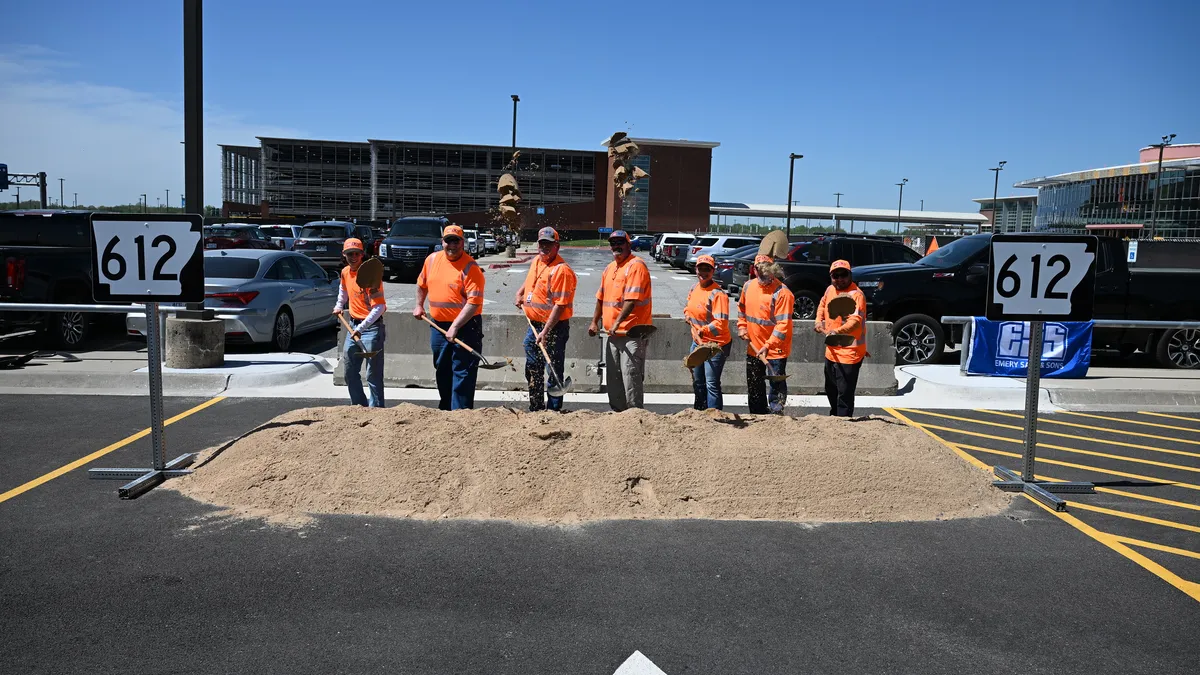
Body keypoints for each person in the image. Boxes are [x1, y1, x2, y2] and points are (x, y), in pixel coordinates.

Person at [413, 224, 486, 410]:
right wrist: (419, 305)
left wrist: (455, 326)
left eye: (456, 241)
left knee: (462, 373)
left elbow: (474, 303)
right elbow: (422, 285)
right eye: (448, 241)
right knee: (442, 370)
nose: (452, 245)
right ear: (442, 242)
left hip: (466, 327)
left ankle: (460, 415)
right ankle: (445, 411)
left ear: (463, 243)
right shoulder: (431, 260)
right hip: (438, 326)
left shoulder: (471, 268)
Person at [588, 229, 653, 411]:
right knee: (614, 379)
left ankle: (634, 417)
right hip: (613, 335)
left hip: (633, 334)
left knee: (630, 376)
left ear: (628, 245)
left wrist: (617, 323)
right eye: (613, 243)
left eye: (620, 243)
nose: (616, 246)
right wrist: (595, 322)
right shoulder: (610, 268)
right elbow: (601, 298)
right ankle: (618, 416)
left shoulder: (636, 266)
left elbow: (631, 301)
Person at [515, 226, 577, 411]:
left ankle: (553, 411)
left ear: (556, 246)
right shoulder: (537, 260)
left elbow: (560, 305)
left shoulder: (561, 270)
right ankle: (535, 407)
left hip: (554, 328)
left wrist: (545, 331)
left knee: (554, 369)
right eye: (542, 243)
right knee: (533, 367)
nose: (544, 248)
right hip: (534, 325)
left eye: (549, 244)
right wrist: (520, 293)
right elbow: (530, 282)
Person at [736, 254, 795, 415]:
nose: (762, 274)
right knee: (754, 385)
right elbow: (742, 310)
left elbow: (783, 325)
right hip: (754, 348)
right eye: (759, 270)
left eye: (766, 271)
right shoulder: (748, 286)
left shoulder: (782, 293)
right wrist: (742, 327)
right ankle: (757, 414)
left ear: (773, 271)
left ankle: (776, 415)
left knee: (776, 385)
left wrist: (767, 346)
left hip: (775, 350)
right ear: (754, 269)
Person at [332, 237, 386, 407]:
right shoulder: (345, 272)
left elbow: (380, 307)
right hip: (353, 326)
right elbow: (343, 289)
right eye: (349, 254)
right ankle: (358, 407)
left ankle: (376, 410)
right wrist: (339, 306)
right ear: (344, 255)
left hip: (371, 328)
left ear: (362, 254)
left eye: (356, 253)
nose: (353, 257)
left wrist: (362, 328)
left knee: (373, 374)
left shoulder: (371, 276)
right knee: (349, 371)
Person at [816, 259, 868, 417]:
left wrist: (836, 331)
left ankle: (844, 422)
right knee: (831, 389)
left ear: (850, 274)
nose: (839, 279)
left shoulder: (856, 295)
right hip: (831, 351)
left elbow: (855, 321)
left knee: (844, 393)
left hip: (849, 353)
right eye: (835, 276)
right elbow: (822, 304)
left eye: (843, 275)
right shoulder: (830, 290)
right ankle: (834, 417)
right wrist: (819, 320)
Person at [684, 254, 731, 410]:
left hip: (716, 345)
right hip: (698, 342)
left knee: (711, 382)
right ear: (696, 269)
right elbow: (688, 307)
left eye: (707, 269)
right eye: (700, 269)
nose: (703, 273)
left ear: (713, 271)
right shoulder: (694, 288)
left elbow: (721, 323)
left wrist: (702, 331)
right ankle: (700, 411)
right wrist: (687, 315)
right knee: (698, 380)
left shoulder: (718, 294)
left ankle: (714, 415)